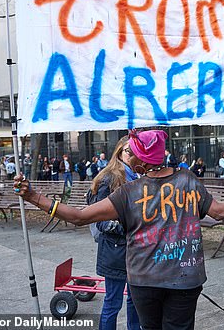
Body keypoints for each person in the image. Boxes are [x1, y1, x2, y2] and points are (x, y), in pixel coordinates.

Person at [13, 129, 224, 330]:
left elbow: (80, 217)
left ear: (140, 162)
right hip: (186, 278)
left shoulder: (129, 192)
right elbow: (220, 212)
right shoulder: (188, 180)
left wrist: (35, 197)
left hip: (144, 281)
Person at [87, 136, 140, 330]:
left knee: (136, 303)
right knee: (113, 302)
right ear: (119, 152)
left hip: (137, 252)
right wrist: (129, 227)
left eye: (137, 152)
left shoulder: (139, 176)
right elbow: (99, 220)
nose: (132, 156)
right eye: (128, 151)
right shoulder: (109, 178)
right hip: (115, 251)